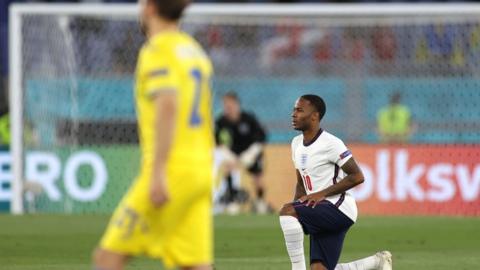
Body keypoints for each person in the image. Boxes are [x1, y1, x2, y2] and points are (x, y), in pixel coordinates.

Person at [93, 0, 214, 269]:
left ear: (149, 8)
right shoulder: (194, 51)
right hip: (201, 169)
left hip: (172, 170)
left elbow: (168, 105)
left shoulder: (157, 49)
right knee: (194, 264)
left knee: (107, 257)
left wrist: (158, 171)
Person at [279, 94, 392, 270]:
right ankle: (377, 262)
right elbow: (301, 184)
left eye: (300, 110)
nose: (293, 114)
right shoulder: (296, 144)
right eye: (294, 110)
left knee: (286, 211)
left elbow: (357, 176)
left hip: (338, 208)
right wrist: (298, 213)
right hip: (318, 207)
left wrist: (319, 195)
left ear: (315, 116)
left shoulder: (331, 143)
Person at [215, 91, 269, 214]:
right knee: (228, 169)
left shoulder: (248, 118)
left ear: (237, 104)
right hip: (234, 153)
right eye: (225, 105)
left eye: (230, 104)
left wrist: (251, 154)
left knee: (258, 180)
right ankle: (232, 201)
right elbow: (218, 141)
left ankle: (260, 202)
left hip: (251, 153)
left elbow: (262, 137)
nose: (227, 108)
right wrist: (229, 155)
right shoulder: (221, 121)